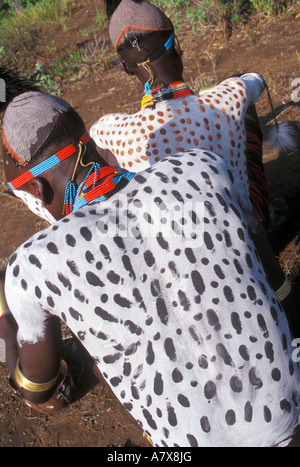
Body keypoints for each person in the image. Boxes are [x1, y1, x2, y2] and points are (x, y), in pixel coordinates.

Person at [0, 67, 300, 447]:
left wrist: (6, 317)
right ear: (90, 142)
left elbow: (41, 390)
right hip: (290, 422)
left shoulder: (34, 265)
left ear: (37, 190)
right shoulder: (202, 168)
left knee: (100, 362)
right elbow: (275, 285)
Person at [91, 0, 270, 230]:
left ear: (125, 68)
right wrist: (199, 97)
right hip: (246, 243)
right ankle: (266, 221)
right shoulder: (228, 98)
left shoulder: (111, 130)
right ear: (176, 44)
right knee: (244, 115)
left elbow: (92, 135)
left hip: (180, 255)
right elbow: (255, 80)